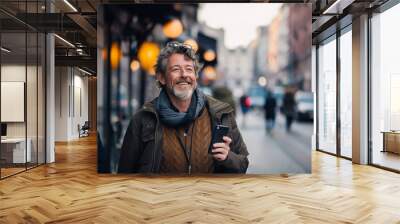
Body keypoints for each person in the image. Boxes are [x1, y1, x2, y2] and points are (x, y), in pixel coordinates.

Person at [118, 41, 249, 174]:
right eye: (176, 69)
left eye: (189, 69)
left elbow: (243, 164)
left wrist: (228, 158)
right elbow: (124, 176)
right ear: (161, 77)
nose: (184, 75)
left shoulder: (221, 114)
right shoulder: (143, 119)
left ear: (195, 77)